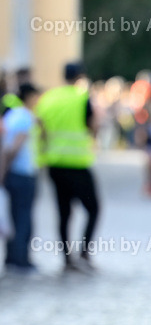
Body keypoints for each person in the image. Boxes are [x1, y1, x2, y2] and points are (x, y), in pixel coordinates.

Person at [36, 62, 100, 272]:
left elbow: (41, 128)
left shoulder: (48, 98)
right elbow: (93, 126)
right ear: (80, 76)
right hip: (78, 164)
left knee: (64, 212)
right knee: (93, 208)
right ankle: (84, 252)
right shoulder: (82, 97)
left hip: (55, 163)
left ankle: (67, 259)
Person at [1, 82, 40, 272]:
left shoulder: (11, 115)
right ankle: (20, 258)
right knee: (23, 216)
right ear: (30, 96)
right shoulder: (26, 117)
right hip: (23, 173)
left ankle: (11, 257)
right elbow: (15, 147)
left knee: (12, 215)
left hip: (12, 173)